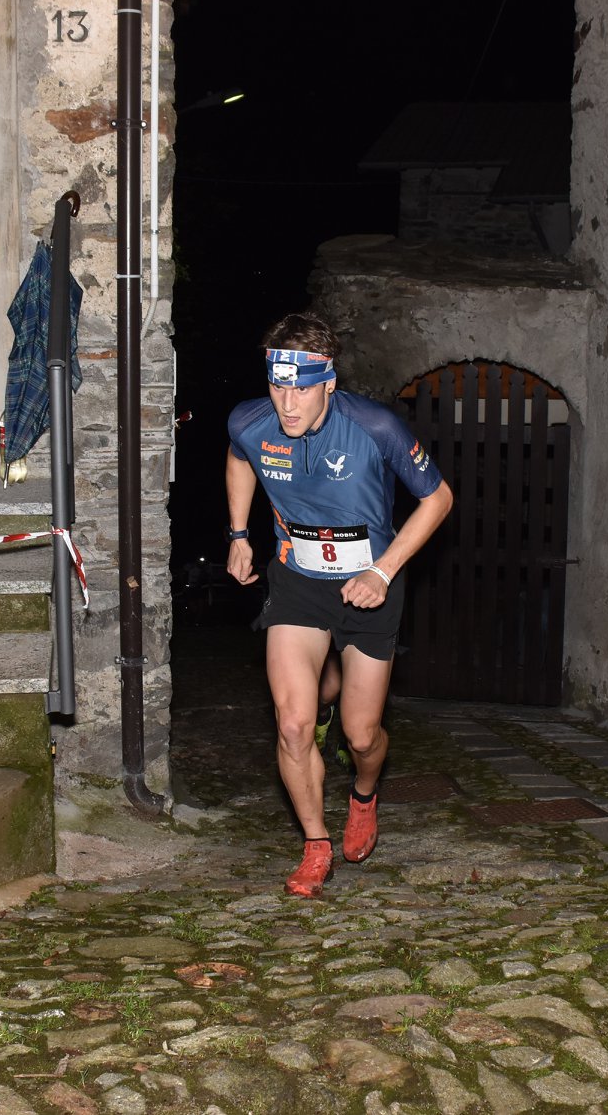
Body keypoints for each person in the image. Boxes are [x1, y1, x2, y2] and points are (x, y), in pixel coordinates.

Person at [225, 312, 454, 897]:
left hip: (371, 582)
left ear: (329, 380)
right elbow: (238, 458)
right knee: (295, 723)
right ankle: (314, 844)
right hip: (298, 581)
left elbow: (438, 499)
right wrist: (238, 533)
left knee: (360, 734)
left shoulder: (374, 427)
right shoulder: (252, 423)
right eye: (278, 385)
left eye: (301, 387)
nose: (287, 402)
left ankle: (364, 794)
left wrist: (383, 569)